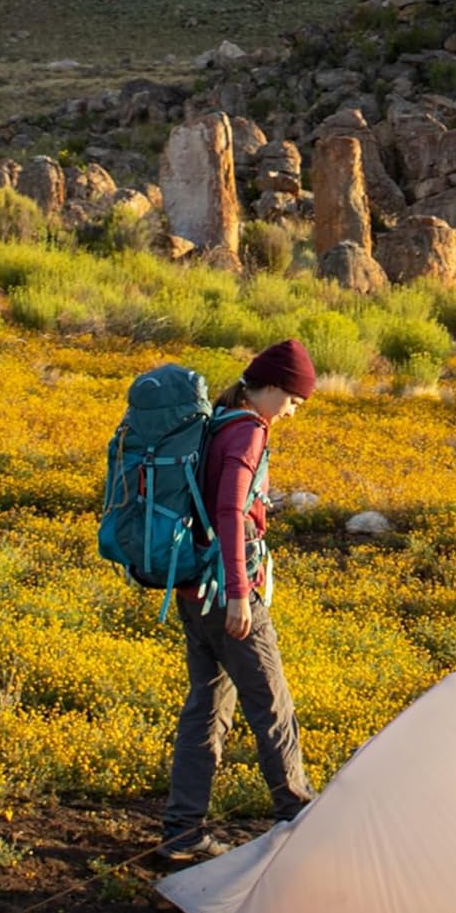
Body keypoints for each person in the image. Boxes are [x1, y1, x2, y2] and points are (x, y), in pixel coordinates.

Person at [157, 339, 318, 862]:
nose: (292, 412)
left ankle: (182, 835)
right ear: (270, 387)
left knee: (206, 708)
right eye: (292, 400)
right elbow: (229, 511)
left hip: (192, 588)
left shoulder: (220, 420)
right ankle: (298, 821)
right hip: (225, 592)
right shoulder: (248, 431)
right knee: (271, 702)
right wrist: (239, 596)